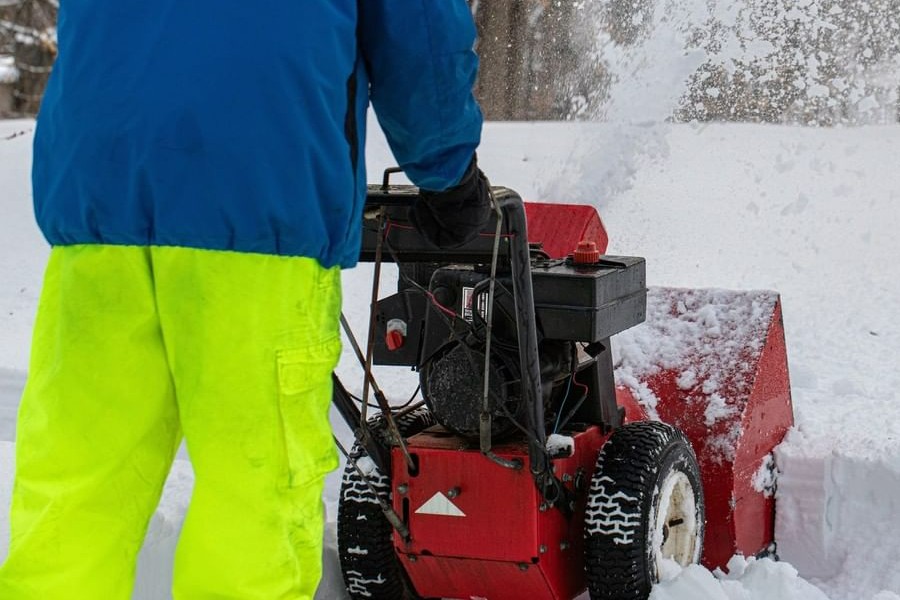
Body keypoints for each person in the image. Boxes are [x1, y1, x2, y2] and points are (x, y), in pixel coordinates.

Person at [0, 1, 490, 598]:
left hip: (99, 194)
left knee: (76, 488)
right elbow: (418, 24)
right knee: (252, 494)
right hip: (256, 192)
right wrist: (449, 171)